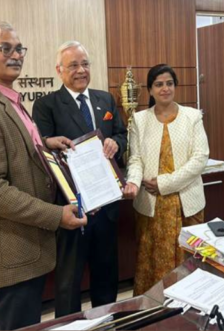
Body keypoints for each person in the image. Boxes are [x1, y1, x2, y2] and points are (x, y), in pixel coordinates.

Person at [0, 22, 87, 330]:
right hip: (12, 251)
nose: (15, 55)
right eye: (5, 49)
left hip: (28, 245)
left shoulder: (10, 101)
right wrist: (56, 215)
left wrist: (44, 145)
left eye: (18, 49)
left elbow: (16, 153)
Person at [32, 41, 138, 317]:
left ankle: (106, 322)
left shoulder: (106, 99)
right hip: (72, 208)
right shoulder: (46, 105)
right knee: (69, 281)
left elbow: (122, 134)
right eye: (73, 65)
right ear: (59, 70)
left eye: (85, 64)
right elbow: (39, 149)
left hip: (107, 205)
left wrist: (116, 142)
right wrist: (50, 143)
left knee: (106, 276)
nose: (81, 70)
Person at [124, 64, 210, 295]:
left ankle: (192, 307)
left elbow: (200, 158)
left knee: (189, 259)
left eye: (169, 83)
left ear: (175, 86)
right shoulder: (140, 120)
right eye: (159, 84)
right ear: (150, 90)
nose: (165, 89)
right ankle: (154, 311)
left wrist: (164, 183)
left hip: (187, 203)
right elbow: (135, 159)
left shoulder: (192, 116)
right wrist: (132, 181)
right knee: (151, 262)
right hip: (151, 205)